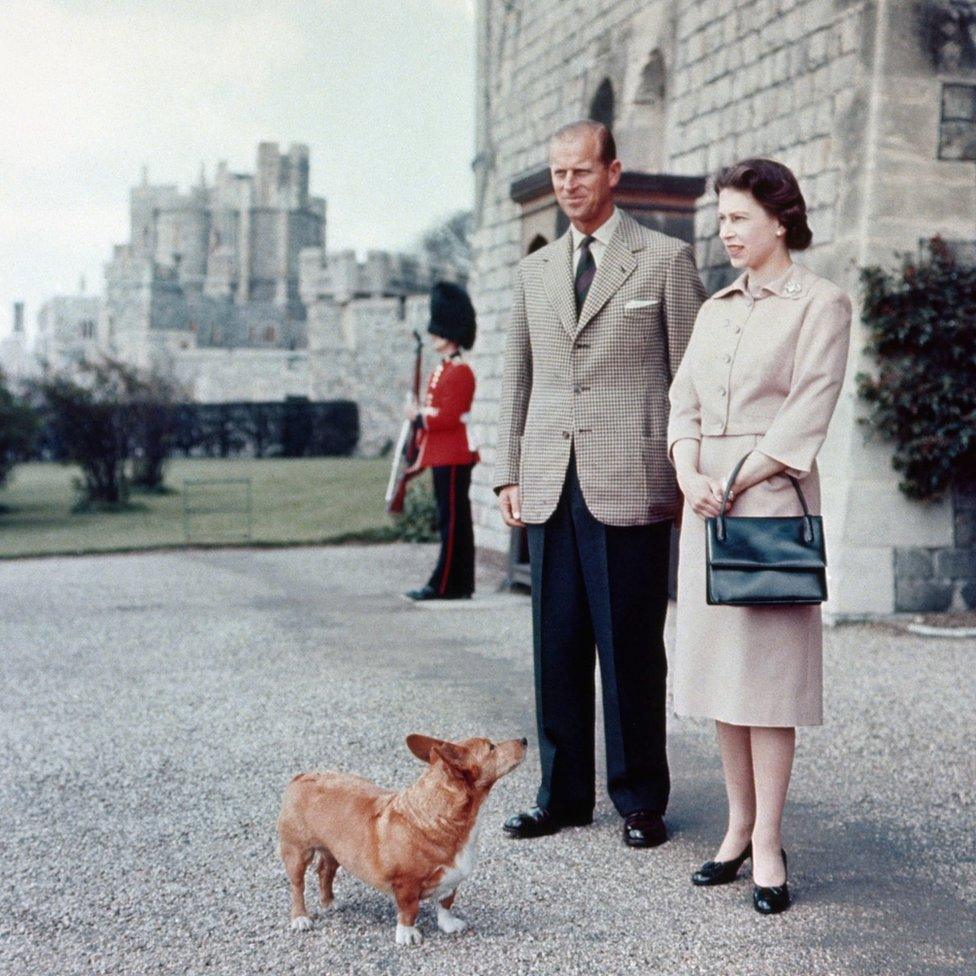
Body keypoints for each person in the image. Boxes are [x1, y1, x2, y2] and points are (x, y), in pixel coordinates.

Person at [494, 120, 706, 846]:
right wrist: (506, 474)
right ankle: (561, 796)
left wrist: (689, 471)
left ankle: (641, 798)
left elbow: (692, 379)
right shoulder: (536, 270)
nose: (567, 186)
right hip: (550, 477)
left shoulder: (666, 262)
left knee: (630, 648)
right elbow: (515, 378)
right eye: (557, 174)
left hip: (631, 480)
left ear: (613, 171)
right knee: (555, 645)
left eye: (581, 172)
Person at [667, 158, 852, 914]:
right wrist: (686, 472)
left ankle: (770, 840)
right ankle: (736, 828)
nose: (727, 232)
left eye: (739, 218)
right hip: (704, 507)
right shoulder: (714, 310)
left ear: (781, 220)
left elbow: (807, 412)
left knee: (769, 686)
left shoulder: (823, 304)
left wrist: (733, 478)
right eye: (721, 220)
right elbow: (680, 404)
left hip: (768, 503)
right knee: (721, 681)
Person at [404, 282, 479, 602]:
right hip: (443, 454)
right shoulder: (445, 369)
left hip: (453, 454)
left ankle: (445, 583)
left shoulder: (461, 371)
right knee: (452, 520)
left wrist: (418, 416)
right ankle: (458, 582)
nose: (433, 335)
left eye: (438, 331)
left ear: (450, 334)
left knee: (453, 522)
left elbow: (448, 415)